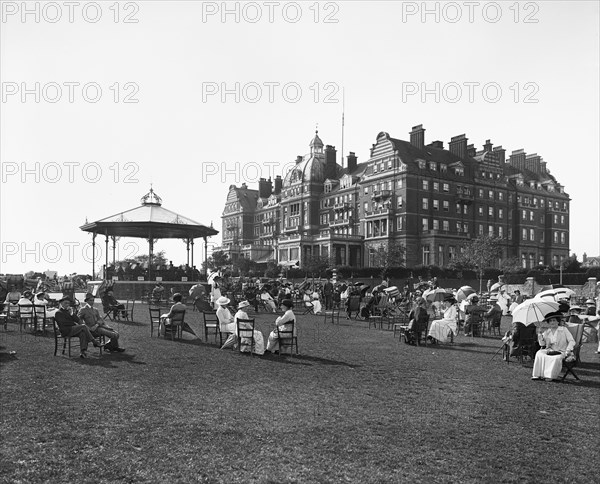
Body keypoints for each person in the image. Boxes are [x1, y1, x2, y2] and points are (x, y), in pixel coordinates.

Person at [532, 311, 576, 381]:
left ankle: (550, 376)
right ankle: (537, 374)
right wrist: (540, 334)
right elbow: (542, 344)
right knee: (539, 353)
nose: (552, 322)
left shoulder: (564, 329)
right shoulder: (547, 331)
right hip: (549, 350)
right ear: (548, 323)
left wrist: (568, 350)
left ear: (558, 321)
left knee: (556, 358)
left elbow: (571, 341)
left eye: (554, 320)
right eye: (550, 321)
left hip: (561, 351)